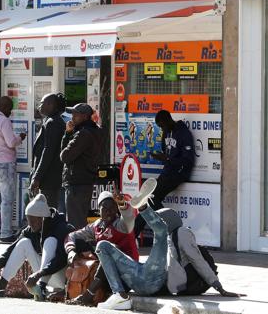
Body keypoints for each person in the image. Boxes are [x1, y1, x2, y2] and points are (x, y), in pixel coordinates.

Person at [95, 179, 244, 310]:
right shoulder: (166, 240)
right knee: (104, 245)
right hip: (145, 276)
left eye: (160, 219)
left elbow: (199, 261)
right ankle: (119, 295)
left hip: (152, 279)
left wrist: (219, 287)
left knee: (157, 232)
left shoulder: (182, 233)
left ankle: (143, 207)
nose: (157, 222)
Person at [0, 194, 73, 301]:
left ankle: (42, 288)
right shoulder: (30, 230)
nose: (30, 225)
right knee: (23, 243)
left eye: (33, 221)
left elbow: (61, 259)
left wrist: (39, 274)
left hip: (64, 277)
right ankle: (1, 285)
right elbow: (9, 251)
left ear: (43, 219)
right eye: (28, 221)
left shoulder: (61, 228)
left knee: (49, 241)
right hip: (44, 275)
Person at [64, 191, 138, 307]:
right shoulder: (97, 226)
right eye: (105, 208)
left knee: (106, 250)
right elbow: (72, 236)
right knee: (78, 244)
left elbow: (129, 218)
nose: (109, 211)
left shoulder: (122, 225)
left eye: (113, 207)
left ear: (117, 209)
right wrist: (71, 251)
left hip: (127, 277)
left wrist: (123, 205)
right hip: (109, 276)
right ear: (99, 210)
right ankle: (74, 285)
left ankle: (88, 295)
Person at [135, 110, 195, 238]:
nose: (162, 128)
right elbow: (166, 152)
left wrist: (167, 159)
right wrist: (162, 157)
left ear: (169, 120)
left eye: (162, 125)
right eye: (160, 127)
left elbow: (188, 160)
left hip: (179, 172)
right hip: (168, 171)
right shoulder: (166, 133)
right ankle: (132, 234)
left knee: (152, 198)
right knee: (147, 199)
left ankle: (169, 226)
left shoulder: (184, 134)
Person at [159, 208, 244, 298]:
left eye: (159, 222)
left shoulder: (181, 233)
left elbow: (196, 260)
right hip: (182, 284)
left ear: (168, 221)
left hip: (188, 283)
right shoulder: (168, 235)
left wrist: (218, 286)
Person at [0, 96, 26, 243]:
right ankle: (6, 233)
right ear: (6, 107)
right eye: (10, 109)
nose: (11, 112)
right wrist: (20, 137)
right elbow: (11, 142)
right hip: (4, 163)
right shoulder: (4, 120)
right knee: (7, 200)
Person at [59, 103, 102, 229]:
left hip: (77, 182)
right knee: (79, 219)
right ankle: (80, 245)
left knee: (75, 222)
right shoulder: (94, 131)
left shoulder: (83, 134)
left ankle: (77, 247)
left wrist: (67, 134)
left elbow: (64, 156)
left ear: (84, 116)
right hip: (85, 180)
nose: (72, 117)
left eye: (75, 114)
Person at [30, 93, 66, 210]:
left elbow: (47, 152)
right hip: (51, 178)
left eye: (42, 103)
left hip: (50, 179)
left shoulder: (53, 122)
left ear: (50, 105)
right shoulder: (50, 120)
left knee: (49, 213)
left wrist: (37, 177)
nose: (39, 106)